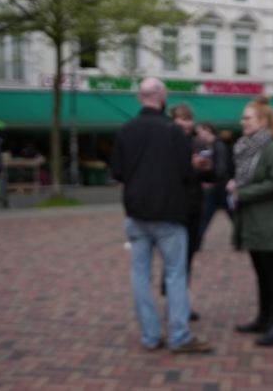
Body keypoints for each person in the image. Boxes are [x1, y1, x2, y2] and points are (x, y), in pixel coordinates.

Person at [111, 77, 212, 353]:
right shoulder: (173, 132)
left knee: (140, 275)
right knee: (175, 275)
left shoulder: (126, 130)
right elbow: (187, 172)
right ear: (163, 97)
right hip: (169, 214)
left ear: (139, 97)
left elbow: (117, 173)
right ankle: (179, 335)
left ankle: (150, 336)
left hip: (136, 213)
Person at [228, 95, 273, 346]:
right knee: (261, 273)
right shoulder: (251, 147)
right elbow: (253, 179)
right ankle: (263, 318)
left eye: (247, 118)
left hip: (269, 222)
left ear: (263, 120)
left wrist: (241, 193)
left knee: (272, 275)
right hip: (254, 220)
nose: (242, 122)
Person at [167, 102, 211, 321]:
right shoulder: (167, 143)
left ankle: (180, 300)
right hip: (175, 209)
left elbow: (210, 174)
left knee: (187, 258)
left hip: (194, 207)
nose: (186, 123)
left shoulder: (197, 142)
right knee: (175, 259)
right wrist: (188, 166)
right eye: (181, 119)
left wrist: (205, 168)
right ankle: (176, 302)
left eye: (188, 118)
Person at [195, 122, 234, 246]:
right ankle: (197, 241)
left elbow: (221, 169)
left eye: (200, 131)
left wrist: (211, 179)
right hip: (218, 185)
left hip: (220, 186)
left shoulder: (218, 146)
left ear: (208, 130)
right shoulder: (210, 146)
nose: (199, 135)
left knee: (207, 215)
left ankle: (197, 242)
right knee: (207, 215)